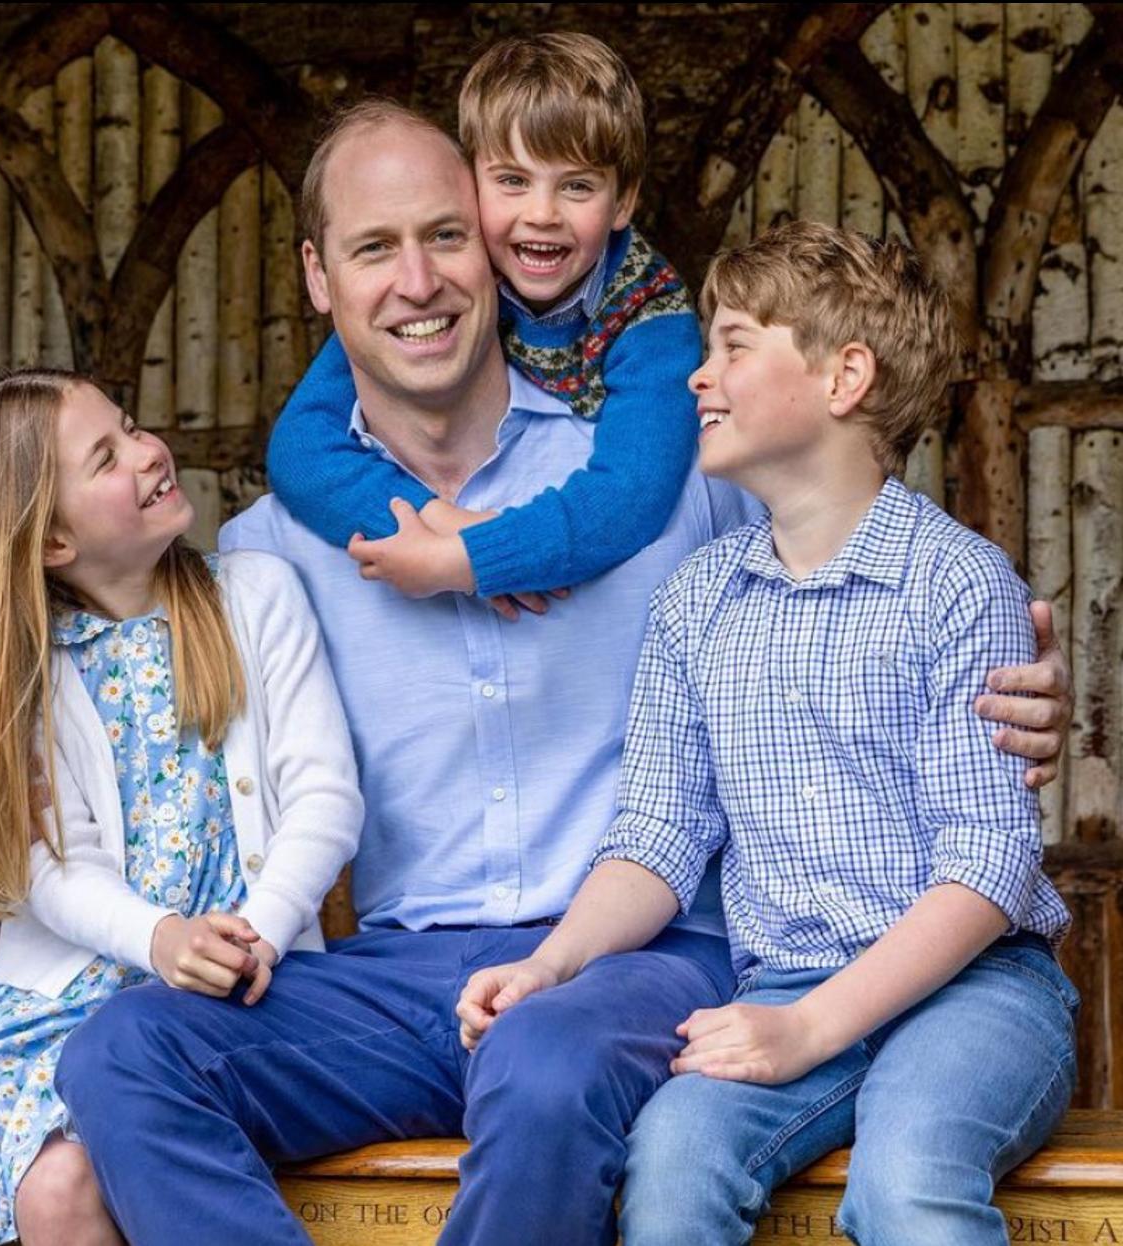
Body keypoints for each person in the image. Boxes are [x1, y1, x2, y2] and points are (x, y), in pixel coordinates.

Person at [56, 109, 1071, 1246]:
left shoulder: (666, 476)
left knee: (544, 1066)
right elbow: (100, 675)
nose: (419, 280)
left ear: (494, 251)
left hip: (648, 959)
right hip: (403, 977)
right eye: (374, 248)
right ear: (317, 277)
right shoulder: (264, 555)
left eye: (446, 236)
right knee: (123, 1051)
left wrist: (1024, 685)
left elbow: (852, 565)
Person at [455, 221, 1078, 1246]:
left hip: (977, 993)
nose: (700, 377)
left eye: (735, 345)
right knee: (670, 1167)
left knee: (908, 1177)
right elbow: (657, 834)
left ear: (845, 377)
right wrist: (549, 964)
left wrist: (810, 1028)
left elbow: (988, 863)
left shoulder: (958, 583)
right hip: (785, 981)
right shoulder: (697, 602)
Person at [0, 370, 362, 1246]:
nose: (148, 452)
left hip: (231, 994)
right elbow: (53, 869)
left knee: (58, 1193)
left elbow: (325, 798)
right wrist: (158, 939)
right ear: (54, 540)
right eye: (107, 456)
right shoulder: (29, 673)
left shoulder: (255, 597)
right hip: (50, 1005)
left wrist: (255, 934)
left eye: (132, 427)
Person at [266, 34, 702, 607]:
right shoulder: (465, 279)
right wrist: (435, 521)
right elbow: (299, 449)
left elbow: (633, 495)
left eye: (576, 186)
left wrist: (478, 558)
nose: (541, 215)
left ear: (622, 204)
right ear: (472, 185)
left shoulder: (653, 317)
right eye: (513, 181)